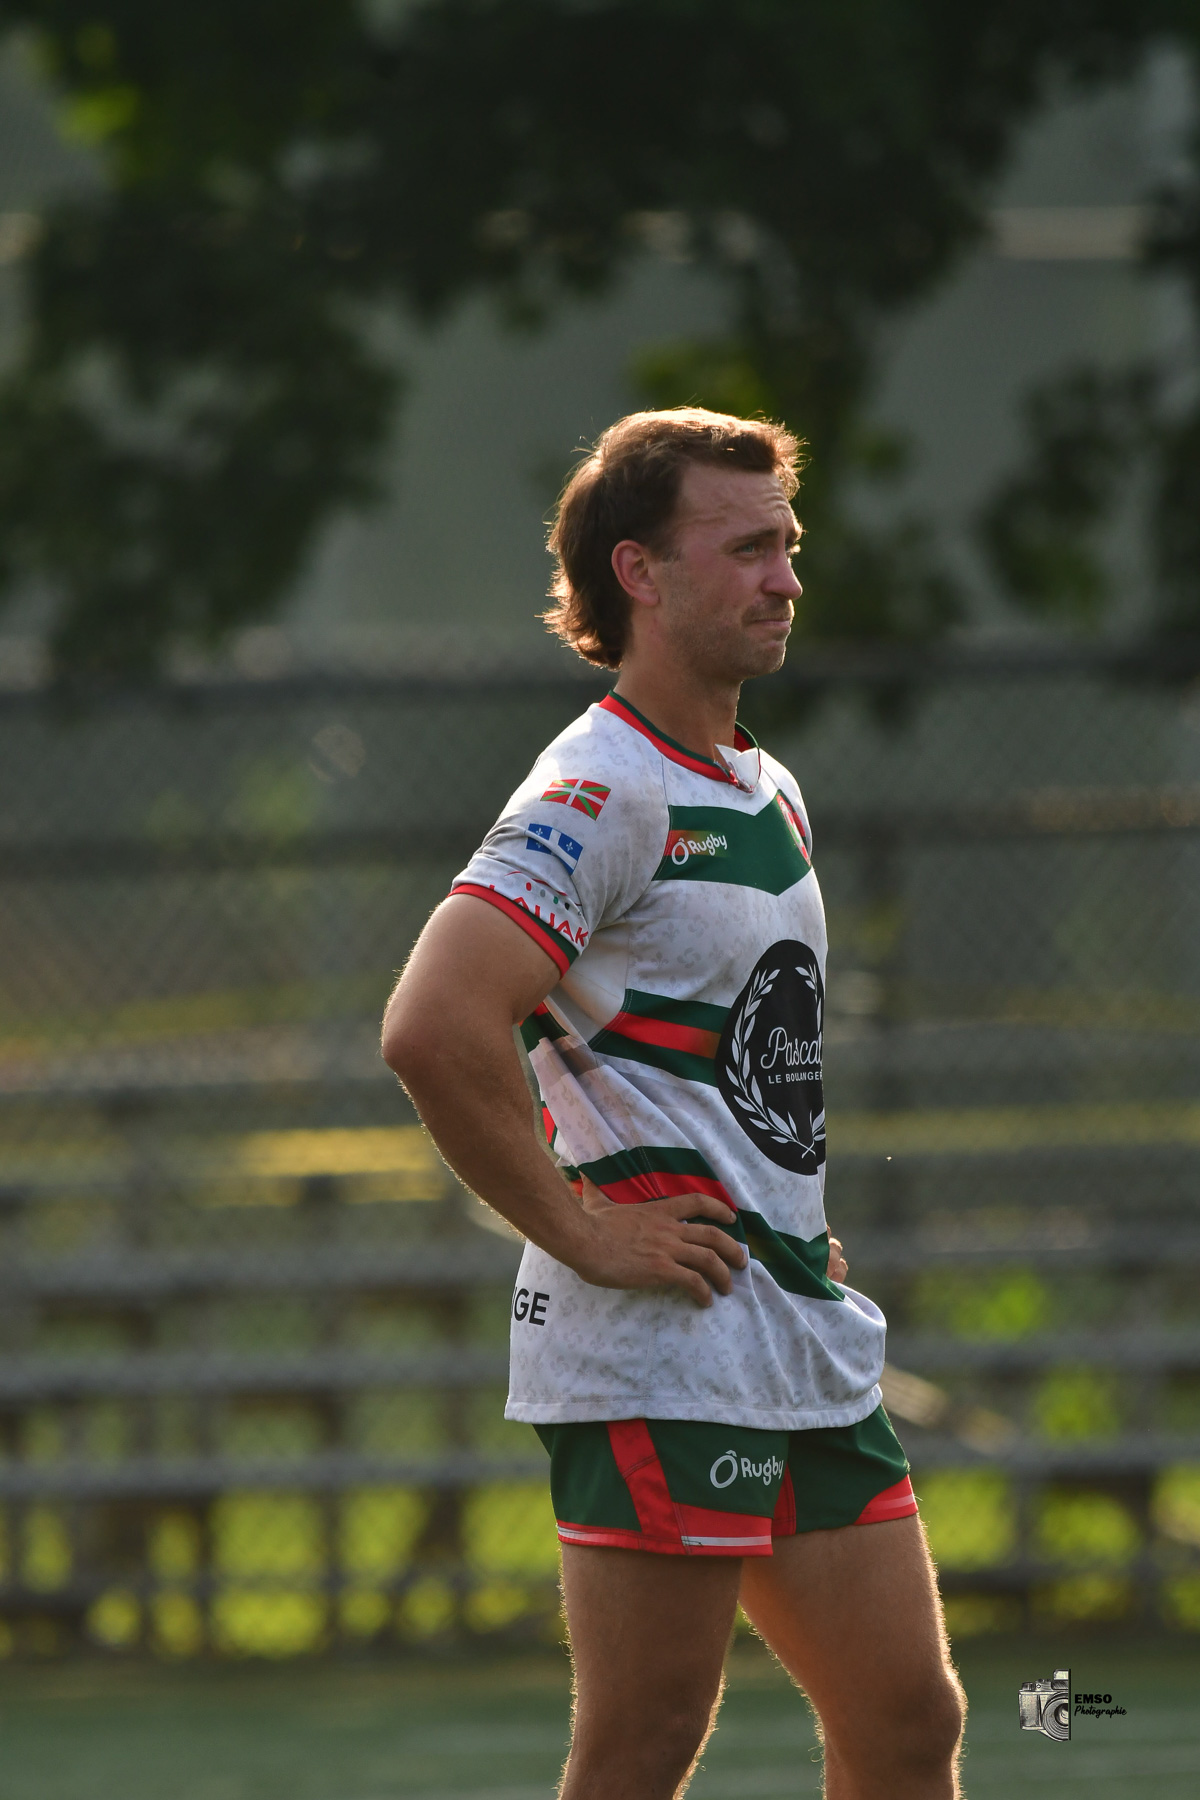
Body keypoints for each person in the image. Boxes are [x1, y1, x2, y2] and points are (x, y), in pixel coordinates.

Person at [382, 408, 965, 1800]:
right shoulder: (600, 785)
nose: (786, 578)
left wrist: (787, 1218)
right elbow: (433, 1025)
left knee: (907, 1723)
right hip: (661, 1352)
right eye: (747, 547)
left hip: (788, 1327)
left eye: (788, 544)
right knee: (642, 1748)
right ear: (638, 572)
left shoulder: (768, 788)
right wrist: (586, 1231)